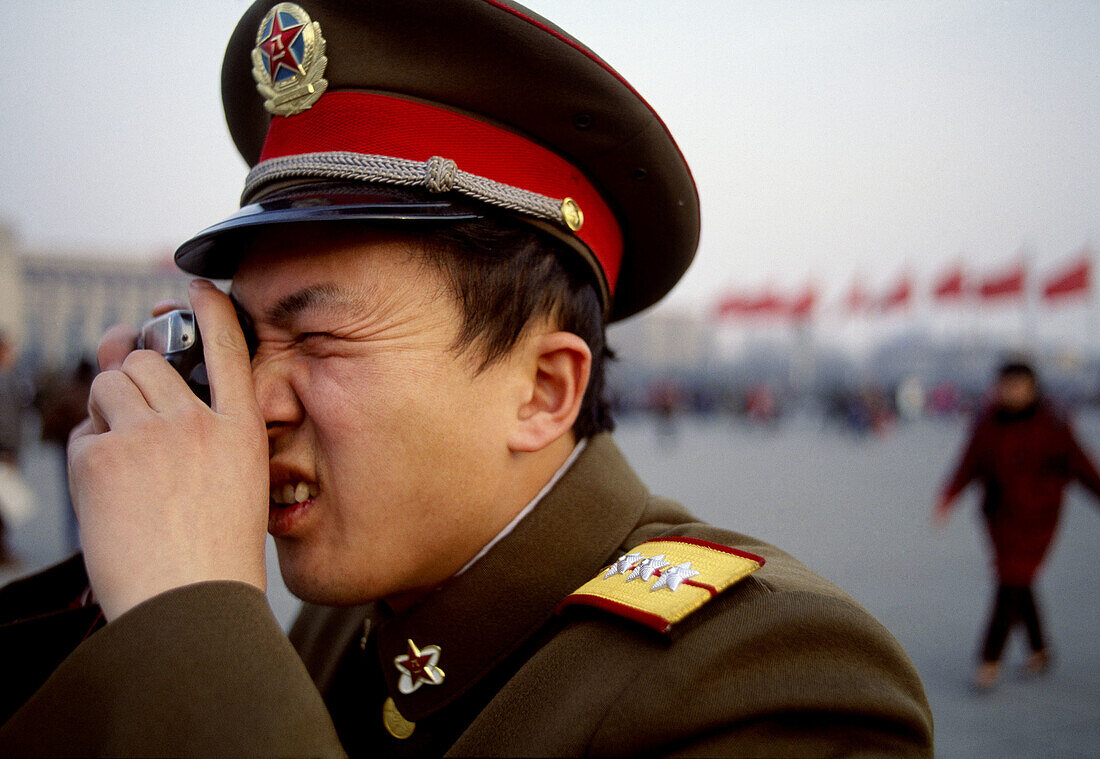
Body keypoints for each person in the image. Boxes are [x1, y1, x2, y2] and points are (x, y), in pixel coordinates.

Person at [0, 2, 933, 755]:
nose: (256, 404)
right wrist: (117, 589)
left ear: (542, 391)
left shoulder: (770, 681)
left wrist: (190, 621)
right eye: (246, 340)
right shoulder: (363, 612)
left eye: (318, 336)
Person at [934, 360, 1100, 690]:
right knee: (1017, 581)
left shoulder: (1052, 424)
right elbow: (969, 463)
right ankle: (1039, 650)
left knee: (1010, 580)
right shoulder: (987, 424)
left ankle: (988, 660)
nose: (1012, 392)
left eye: (1019, 386)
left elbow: (1080, 464)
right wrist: (948, 496)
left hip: (1039, 519)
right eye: (1007, 385)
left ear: (1033, 388)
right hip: (1000, 519)